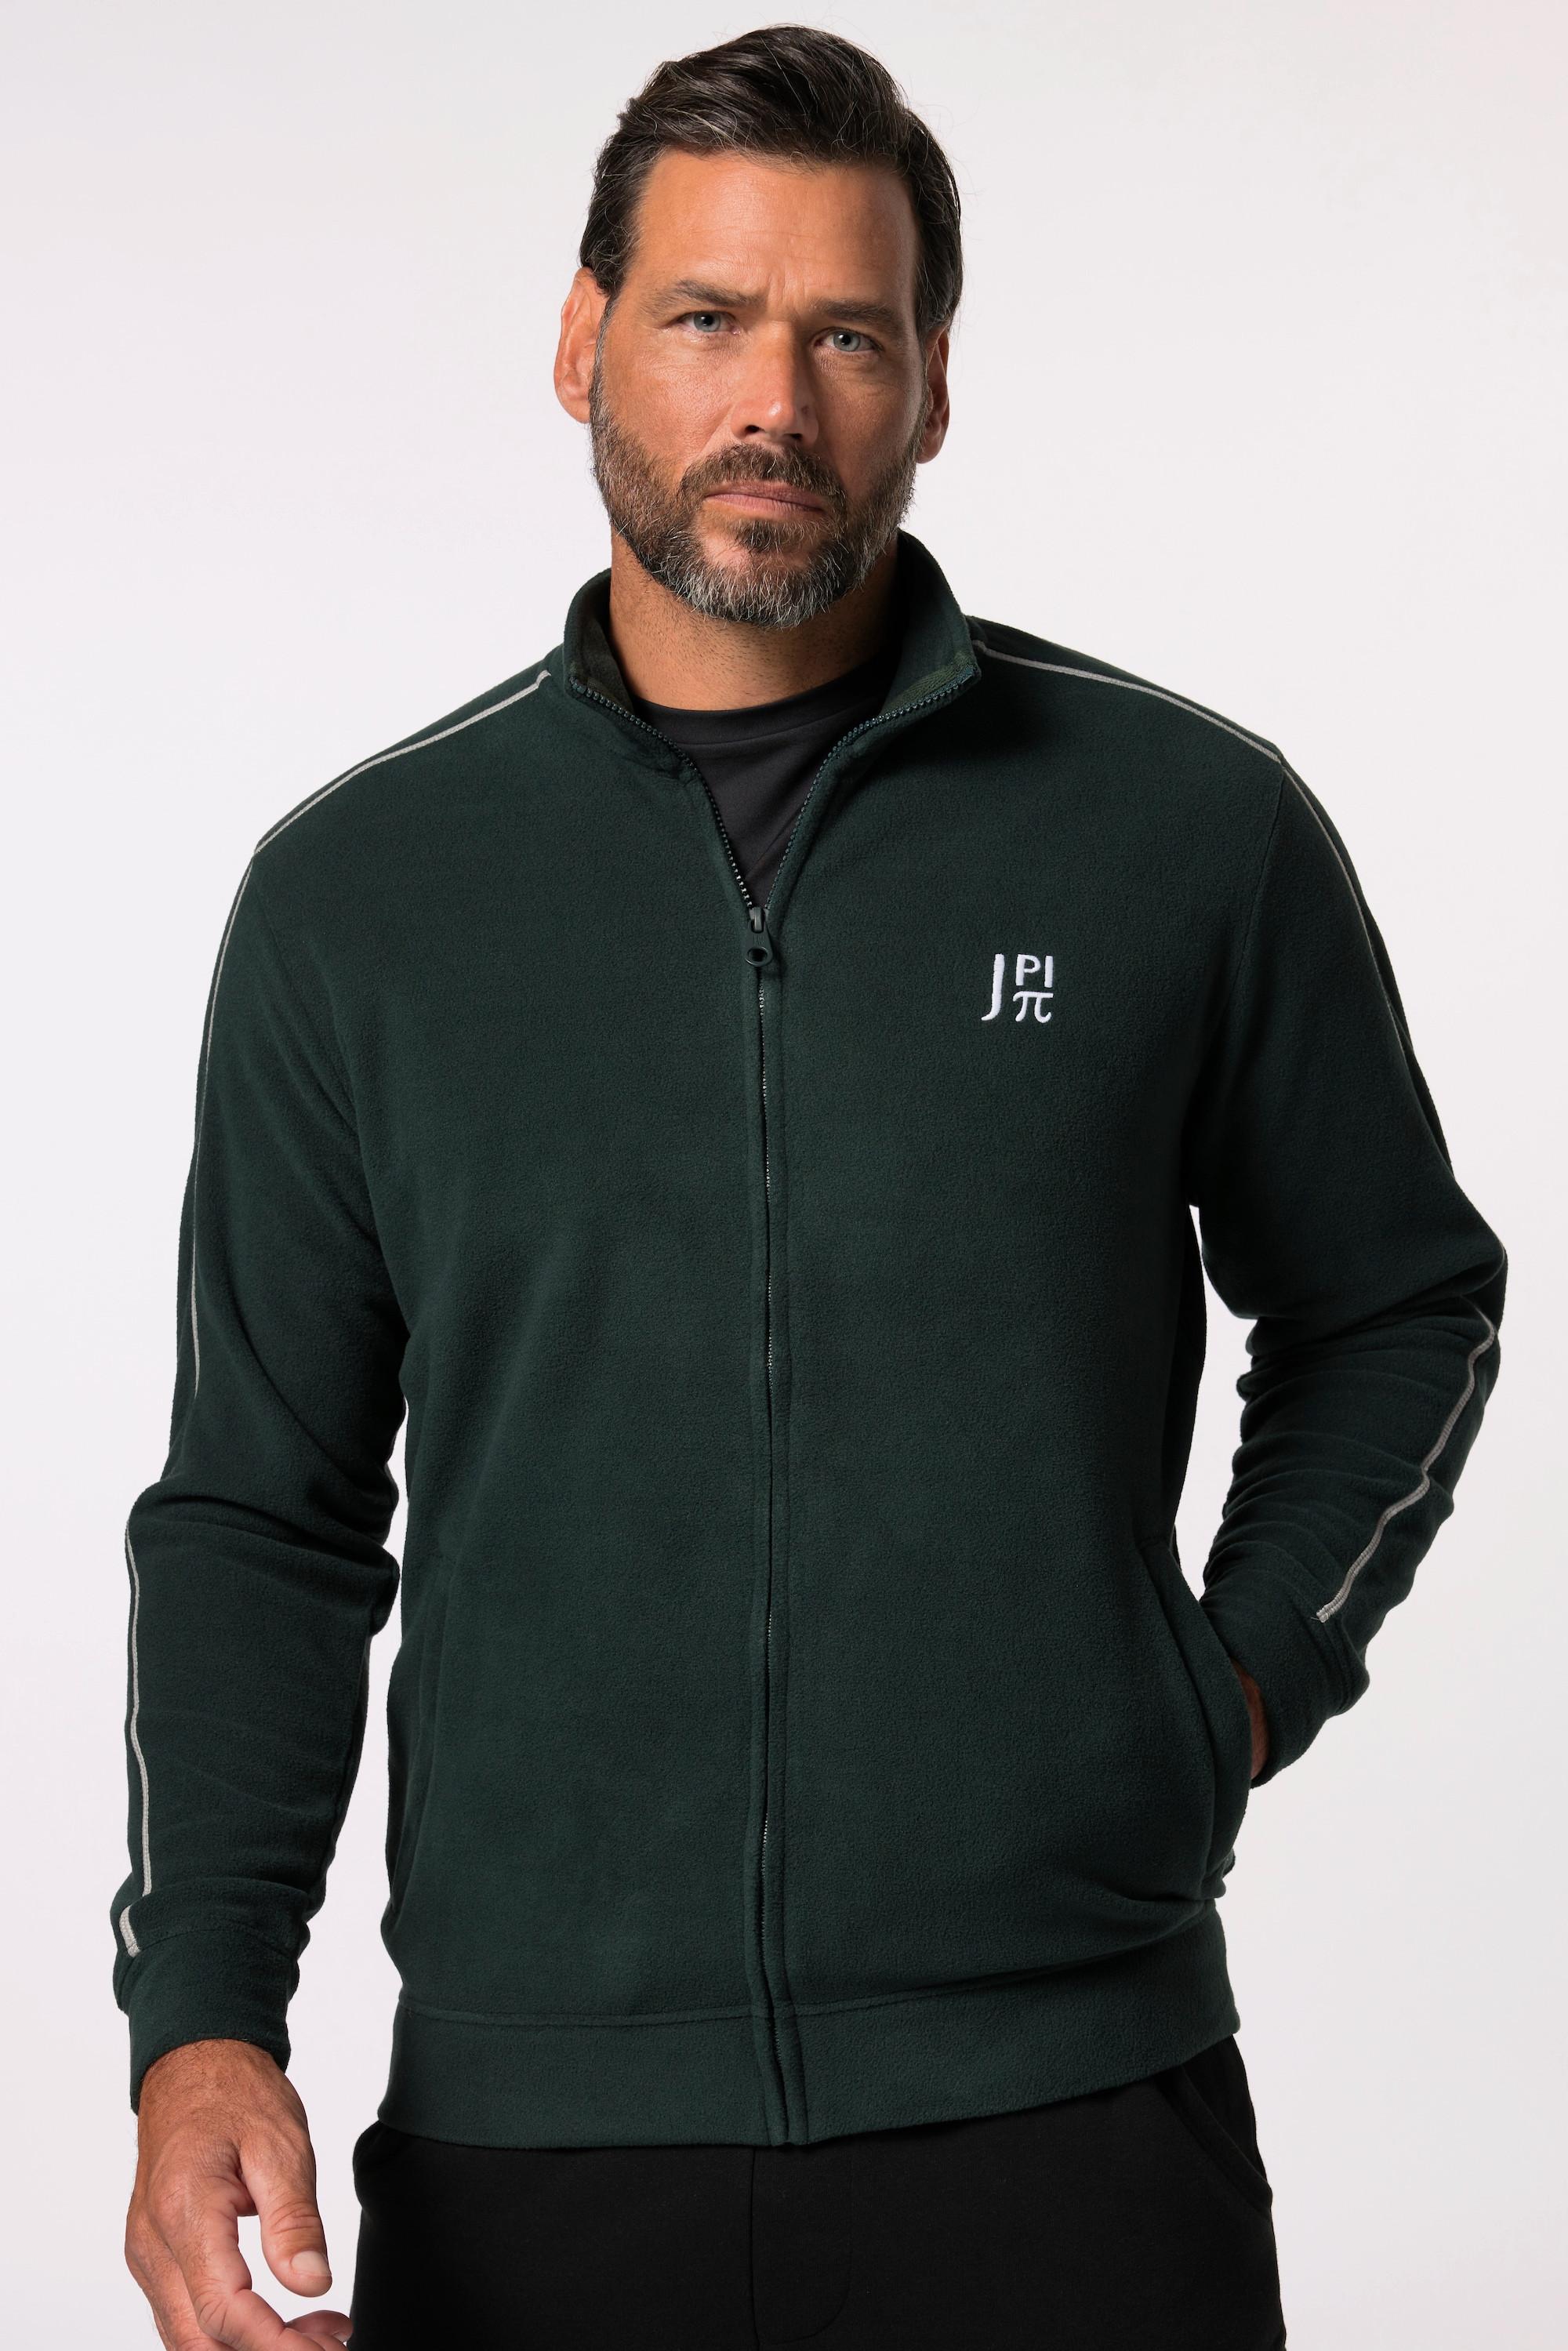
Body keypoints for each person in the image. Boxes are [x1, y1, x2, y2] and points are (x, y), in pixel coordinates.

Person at [113, 25, 1506, 2350]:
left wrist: (1231, 1689)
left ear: (934, 384)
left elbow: (1399, 1304)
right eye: (707, 316)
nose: (775, 399)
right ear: (582, 340)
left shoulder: (1180, 829)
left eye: (848, 334)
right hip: (539, 2149)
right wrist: (200, 2024)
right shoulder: (364, 901)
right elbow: (263, 1512)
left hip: (1070, 2115)